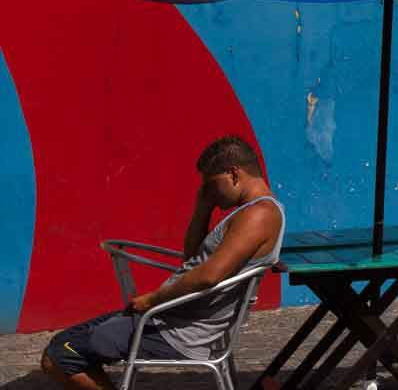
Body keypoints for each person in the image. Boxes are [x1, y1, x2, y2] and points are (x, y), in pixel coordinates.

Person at [42, 136, 286, 390]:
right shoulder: (246, 213)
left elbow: (208, 276)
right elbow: (191, 260)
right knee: (66, 343)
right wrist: (202, 208)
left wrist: (152, 299)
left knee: (59, 357)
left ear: (234, 173)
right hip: (167, 319)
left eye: (210, 184)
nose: (206, 190)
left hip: (177, 331)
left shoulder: (260, 214)